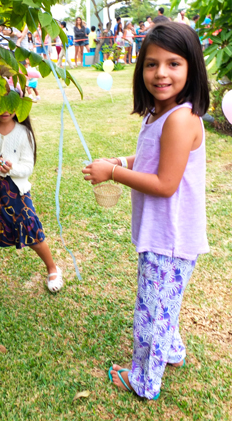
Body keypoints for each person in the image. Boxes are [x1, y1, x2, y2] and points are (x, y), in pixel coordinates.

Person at [82, 22, 210, 400]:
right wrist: (121, 159)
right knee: (162, 302)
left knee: (150, 314)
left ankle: (144, 380)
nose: (161, 74)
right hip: (163, 232)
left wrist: (114, 173)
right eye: (152, 64)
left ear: (192, 68)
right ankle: (171, 350)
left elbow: (165, 183)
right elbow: (154, 159)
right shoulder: (158, 114)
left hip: (169, 236)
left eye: (174, 64)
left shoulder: (181, 118)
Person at [0, 107, 64, 295]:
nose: (5, 110)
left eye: (11, 104)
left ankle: (52, 269)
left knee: (32, 232)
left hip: (17, 191)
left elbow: (28, 167)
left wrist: (10, 169)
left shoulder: (23, 132)